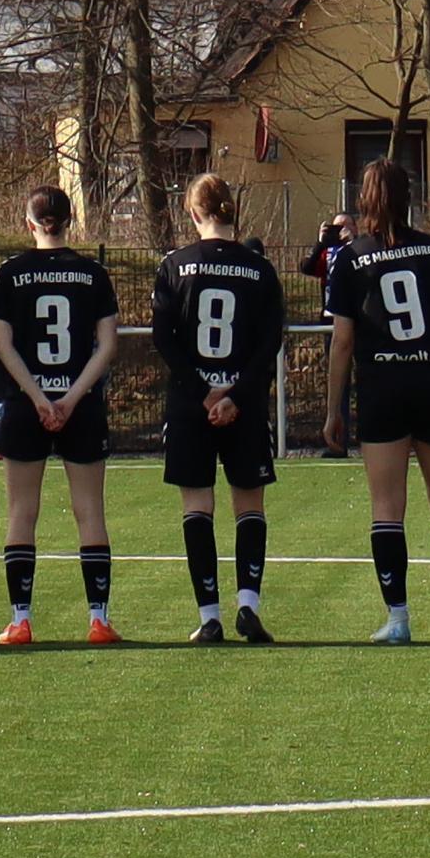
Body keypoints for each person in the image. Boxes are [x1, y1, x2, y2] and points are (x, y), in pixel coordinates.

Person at [317, 156, 430, 645]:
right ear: (408, 198)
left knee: (386, 508)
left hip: (383, 391)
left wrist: (334, 408)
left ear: (364, 199)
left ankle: (398, 619)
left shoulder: (350, 259)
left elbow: (343, 341)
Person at [0, 188, 122, 643]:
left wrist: (39, 398)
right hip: (80, 406)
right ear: (69, 221)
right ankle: (98, 619)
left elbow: (3, 345)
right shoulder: (93, 273)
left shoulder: (9, 273)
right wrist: (71, 397)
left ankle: (21, 620)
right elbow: (108, 347)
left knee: (22, 511)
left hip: (25, 406)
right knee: (90, 511)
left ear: (30, 223)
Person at [151, 170, 288, 643]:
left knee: (198, 505)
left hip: (191, 405)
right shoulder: (259, 269)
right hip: (244, 403)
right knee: (249, 502)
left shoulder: (175, 264)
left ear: (193, 213)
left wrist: (203, 390)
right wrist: (234, 393)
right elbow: (270, 341)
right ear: (232, 210)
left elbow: (164, 338)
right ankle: (247, 603)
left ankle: (209, 614)